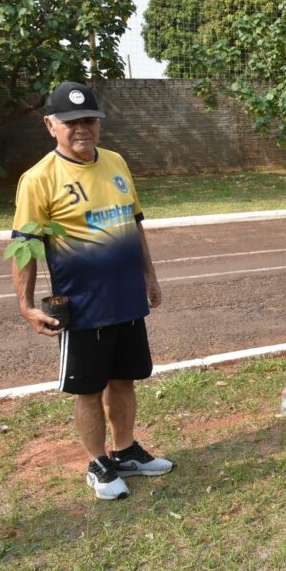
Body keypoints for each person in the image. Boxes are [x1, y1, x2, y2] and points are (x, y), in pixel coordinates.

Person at [11, 81, 172, 500]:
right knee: (88, 390)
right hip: (83, 308)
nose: (81, 128)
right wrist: (25, 305)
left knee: (125, 380)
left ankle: (125, 452)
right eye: (71, 121)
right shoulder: (38, 180)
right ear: (51, 125)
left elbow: (134, 223)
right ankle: (98, 463)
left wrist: (150, 276)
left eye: (89, 120)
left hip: (127, 300)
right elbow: (24, 245)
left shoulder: (116, 162)